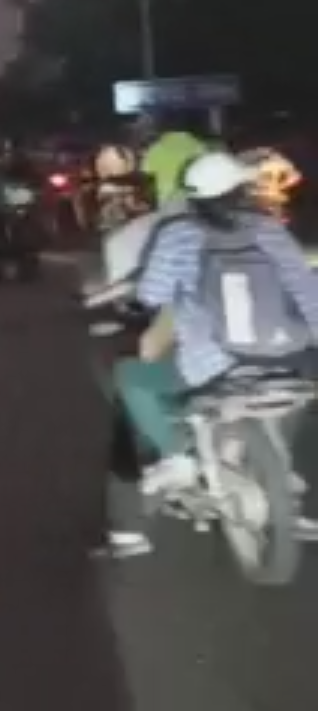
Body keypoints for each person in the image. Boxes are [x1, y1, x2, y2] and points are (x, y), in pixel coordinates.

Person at [107, 151, 318, 551]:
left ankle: (176, 456)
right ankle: (283, 477)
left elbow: (152, 294)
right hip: (289, 357)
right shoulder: (269, 230)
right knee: (292, 396)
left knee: (131, 377)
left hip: (211, 364)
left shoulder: (178, 233)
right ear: (243, 189)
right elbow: (307, 290)